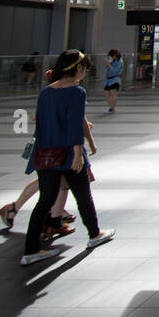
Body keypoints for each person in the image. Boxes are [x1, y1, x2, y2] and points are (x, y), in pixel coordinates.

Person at [20, 50, 114, 266]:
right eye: (84, 68)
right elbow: (74, 124)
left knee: (44, 201)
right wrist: (79, 152)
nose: (85, 72)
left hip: (45, 155)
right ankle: (94, 234)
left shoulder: (46, 92)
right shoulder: (77, 92)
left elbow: (40, 123)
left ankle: (30, 250)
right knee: (83, 195)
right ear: (77, 68)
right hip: (68, 154)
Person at [0, 117, 97, 235]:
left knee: (57, 179)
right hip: (61, 141)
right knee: (58, 179)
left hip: (53, 138)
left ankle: (53, 214)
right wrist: (87, 137)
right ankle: (52, 216)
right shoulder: (68, 97)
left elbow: (36, 114)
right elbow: (75, 113)